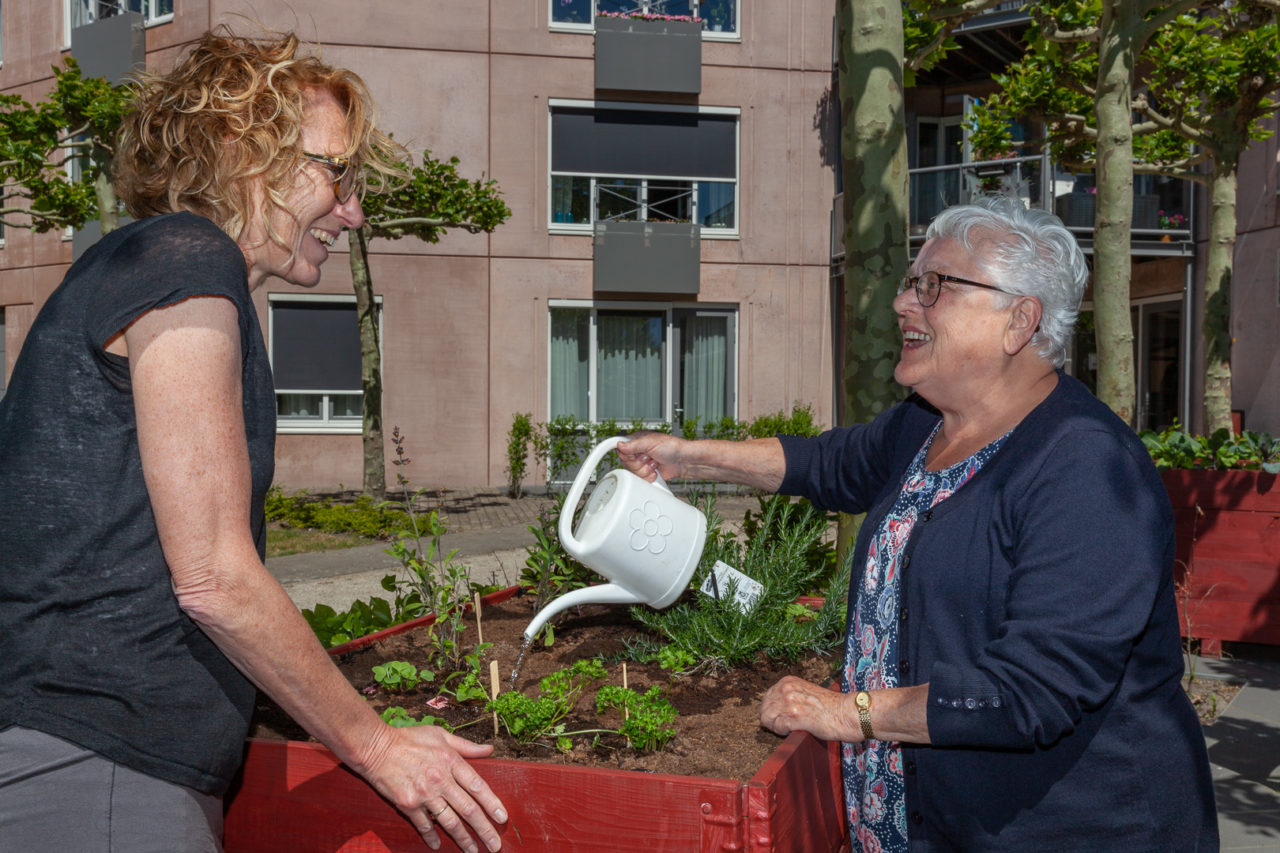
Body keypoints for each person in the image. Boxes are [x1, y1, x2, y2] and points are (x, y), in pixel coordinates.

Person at [0, 30, 506, 853]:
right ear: (243, 147)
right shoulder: (186, 257)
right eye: (337, 173)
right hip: (94, 772)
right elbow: (213, 578)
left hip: (91, 762)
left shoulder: (144, 267)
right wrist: (376, 744)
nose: (353, 209)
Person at [618, 196, 1218, 851]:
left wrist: (848, 710)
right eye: (911, 281)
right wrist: (687, 455)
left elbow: (1029, 692)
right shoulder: (924, 423)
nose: (905, 302)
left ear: (1019, 320)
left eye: (935, 286)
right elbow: (828, 462)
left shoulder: (1088, 470)